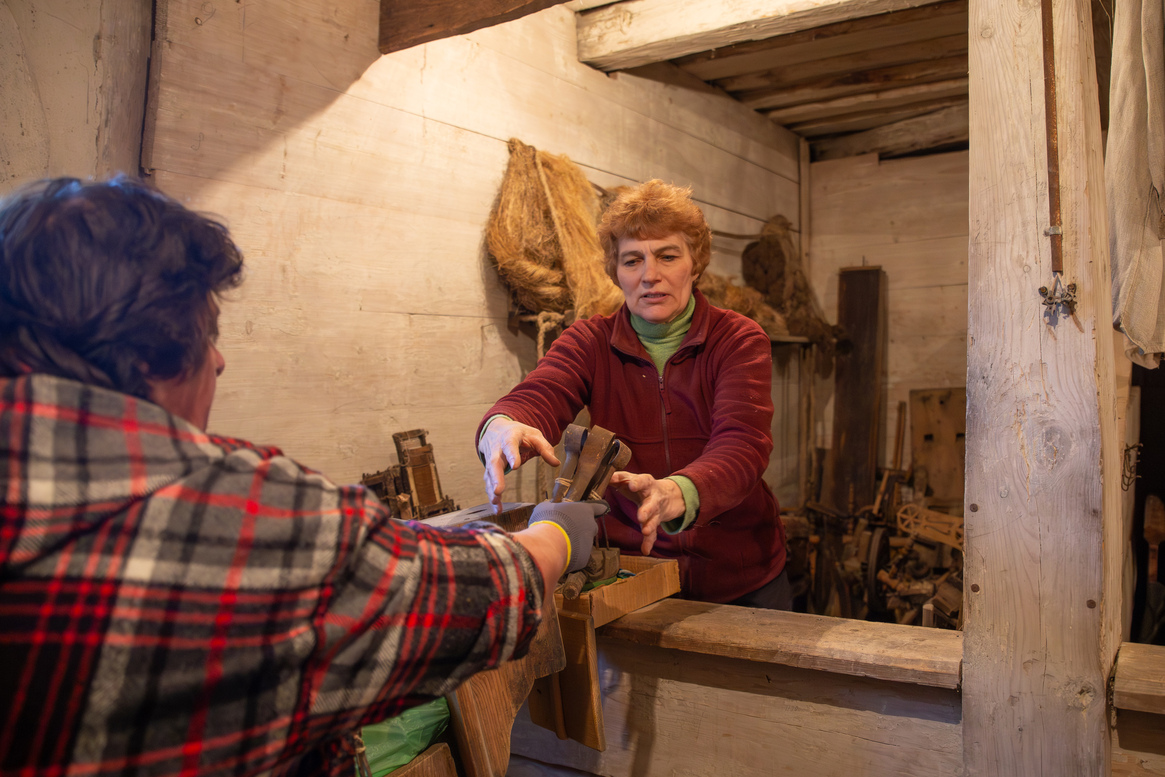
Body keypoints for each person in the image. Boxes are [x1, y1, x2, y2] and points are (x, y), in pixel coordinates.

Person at [0, 176, 602, 776]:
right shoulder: (242, 519)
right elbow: (481, 596)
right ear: (149, 350)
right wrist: (554, 530)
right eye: (207, 334)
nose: (219, 360)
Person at [477, 180, 789, 609]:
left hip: (740, 575)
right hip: (634, 572)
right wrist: (502, 425)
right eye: (632, 260)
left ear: (695, 263)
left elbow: (743, 443)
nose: (650, 275)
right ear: (616, 272)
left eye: (668, 256)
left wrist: (677, 492)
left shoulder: (736, 339)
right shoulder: (590, 341)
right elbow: (541, 392)